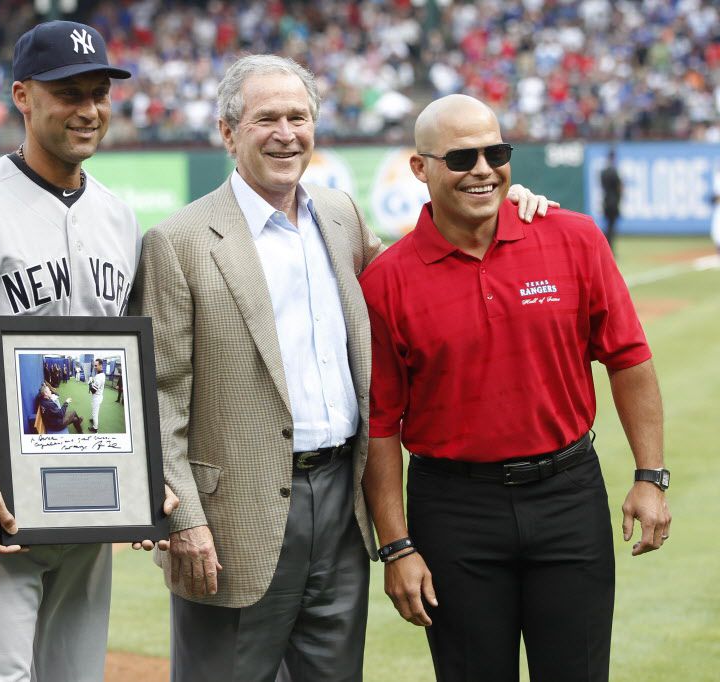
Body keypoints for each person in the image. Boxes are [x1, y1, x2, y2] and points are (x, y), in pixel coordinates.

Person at [131, 55, 552, 682]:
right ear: (227, 132)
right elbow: (157, 395)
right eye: (265, 118)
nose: (285, 132)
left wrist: (498, 200)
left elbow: (426, 264)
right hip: (233, 517)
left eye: (298, 116)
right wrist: (184, 518)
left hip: (341, 502)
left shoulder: (340, 215)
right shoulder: (180, 240)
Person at [361, 94, 671, 682]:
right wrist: (397, 547)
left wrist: (650, 476)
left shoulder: (575, 238)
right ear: (420, 168)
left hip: (567, 496)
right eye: (461, 158)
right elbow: (380, 424)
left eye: (495, 152)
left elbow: (629, 358)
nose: (482, 169)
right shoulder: (386, 280)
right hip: (453, 512)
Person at [0, 20, 175, 681]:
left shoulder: (118, 216)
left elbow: (119, 369)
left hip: (90, 480)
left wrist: (141, 475)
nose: (87, 110)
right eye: (68, 94)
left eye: (98, 94)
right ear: (23, 97)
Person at [600, 148, 623, 251]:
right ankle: (609, 248)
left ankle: (606, 247)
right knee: (611, 227)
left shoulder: (603, 172)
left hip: (605, 201)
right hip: (613, 202)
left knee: (607, 226)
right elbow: (619, 188)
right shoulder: (614, 171)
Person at [88, 357, 106, 431]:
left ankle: (95, 428)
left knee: (95, 413)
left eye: (96, 365)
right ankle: (93, 420)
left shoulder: (99, 377)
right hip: (98, 396)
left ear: (101, 365)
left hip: (97, 397)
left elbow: (93, 391)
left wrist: (90, 383)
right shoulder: (101, 374)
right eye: (94, 365)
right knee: (94, 410)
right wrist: (92, 381)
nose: (95, 367)